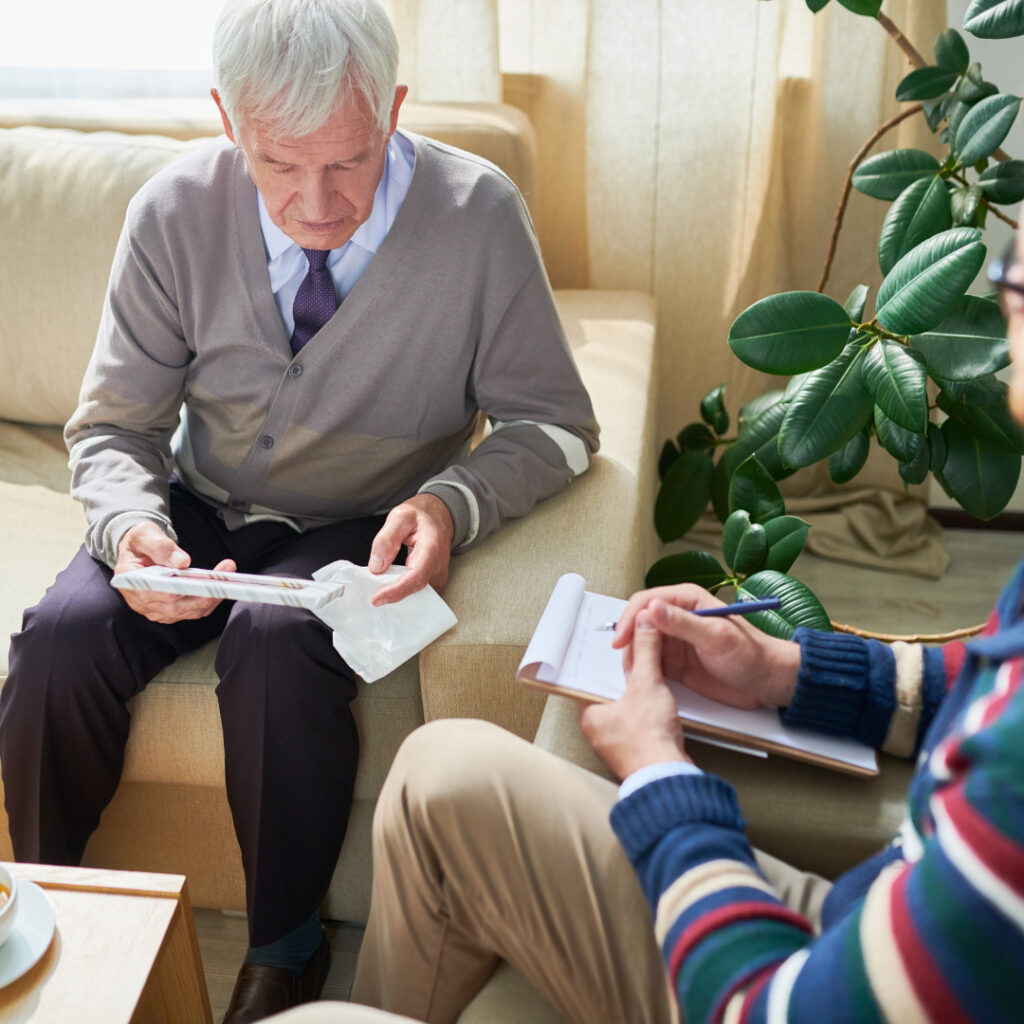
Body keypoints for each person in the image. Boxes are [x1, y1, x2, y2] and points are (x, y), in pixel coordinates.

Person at [0, 1, 598, 1021]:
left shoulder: (479, 215)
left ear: (394, 109)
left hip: (360, 516)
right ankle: (53, 912)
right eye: (280, 164)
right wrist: (130, 529)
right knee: (57, 644)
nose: (317, 205)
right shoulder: (172, 210)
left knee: (276, 656)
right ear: (228, 122)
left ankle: (285, 948)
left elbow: (560, 425)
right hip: (193, 500)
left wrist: (451, 503)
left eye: (349, 162)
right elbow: (111, 431)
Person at [340, 219, 1024, 1023]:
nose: (1001, 303)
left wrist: (662, 773)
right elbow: (991, 686)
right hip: (887, 922)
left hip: (800, 986)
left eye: (1014, 280)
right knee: (438, 769)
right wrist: (786, 670)